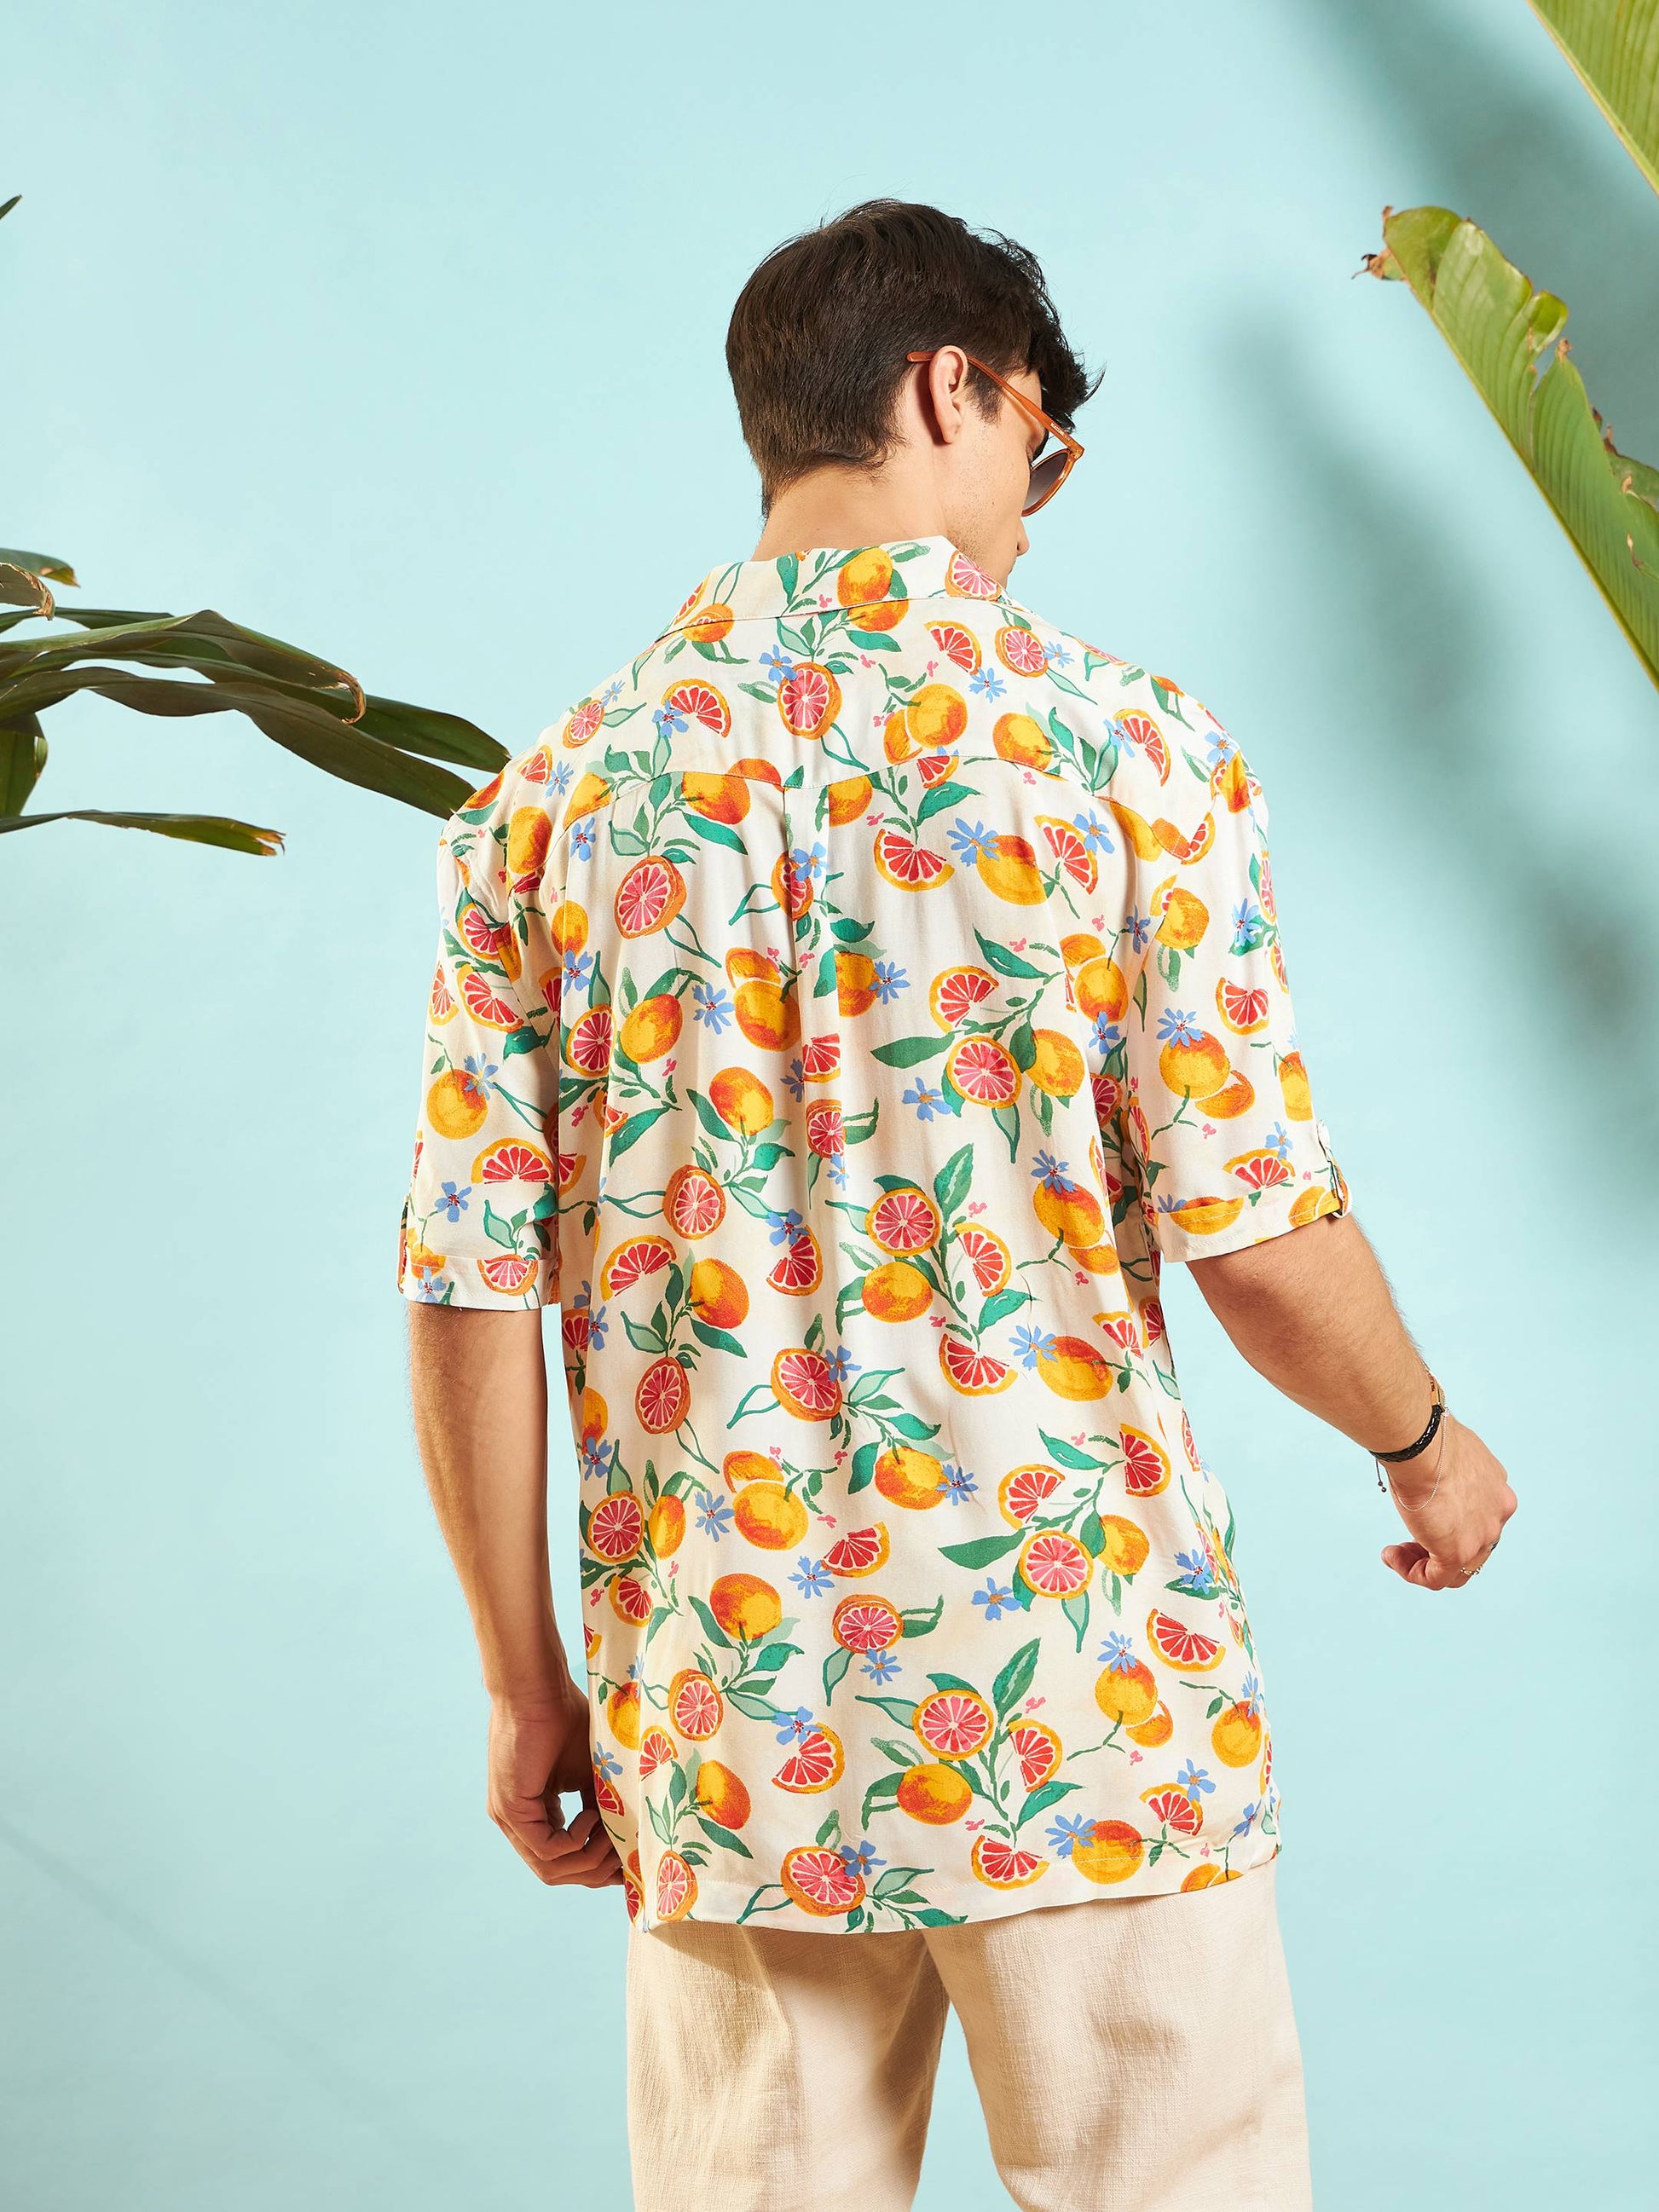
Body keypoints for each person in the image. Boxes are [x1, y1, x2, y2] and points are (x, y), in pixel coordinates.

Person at [397, 199, 1515, 2212]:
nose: (1029, 510)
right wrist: (1424, 1443)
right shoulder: (1127, 752)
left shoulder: (548, 801)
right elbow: (1256, 1233)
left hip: (725, 1713)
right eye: (1039, 450)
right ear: (952, 387)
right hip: (1079, 1696)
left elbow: (471, 1284)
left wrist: (521, 1677)